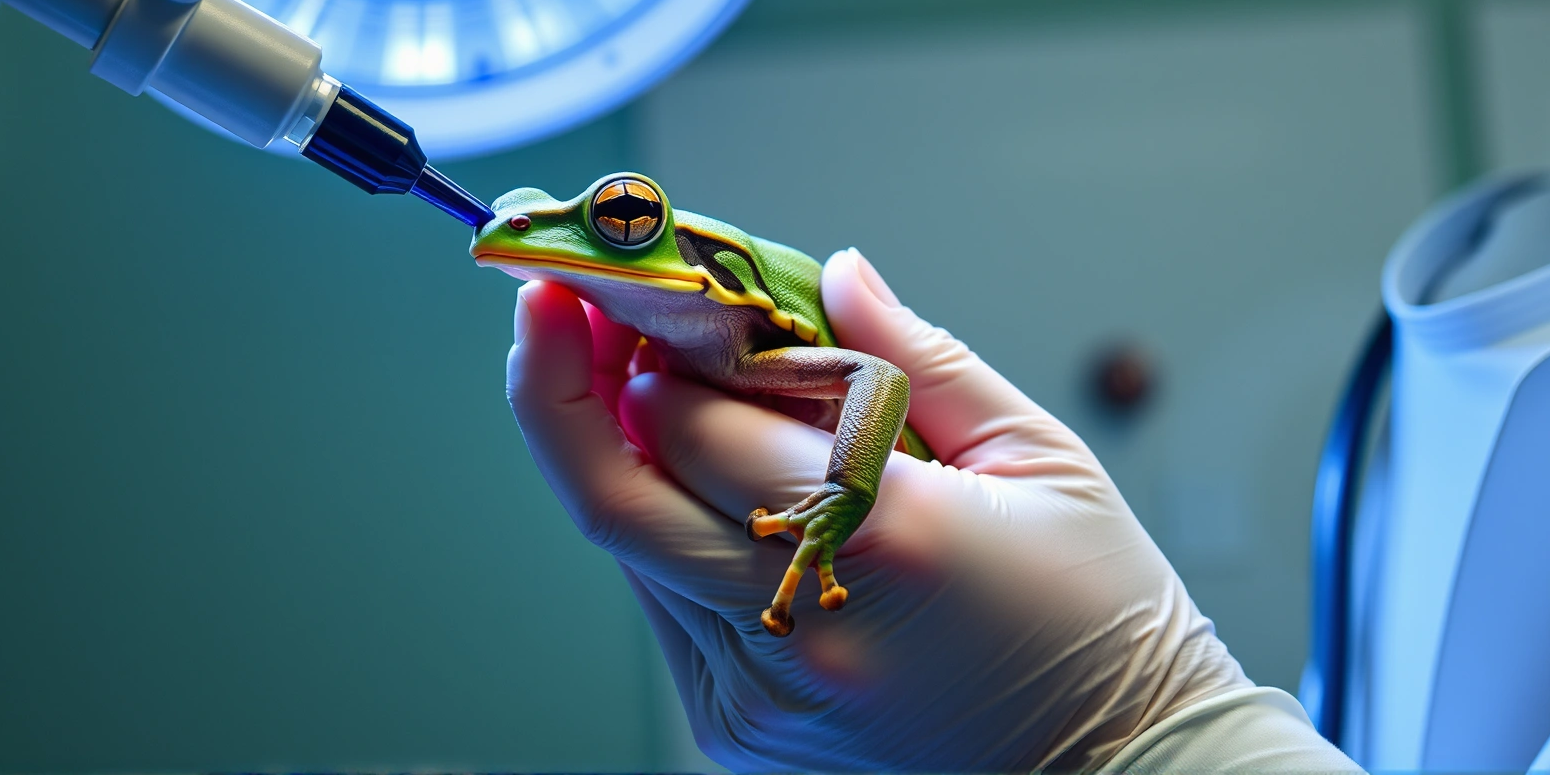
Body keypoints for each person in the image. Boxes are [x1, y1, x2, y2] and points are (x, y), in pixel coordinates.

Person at [506, 247, 1363, 773]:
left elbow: (872, 378)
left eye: (619, 216)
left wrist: (1150, 724)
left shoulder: (754, 344)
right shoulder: (692, 361)